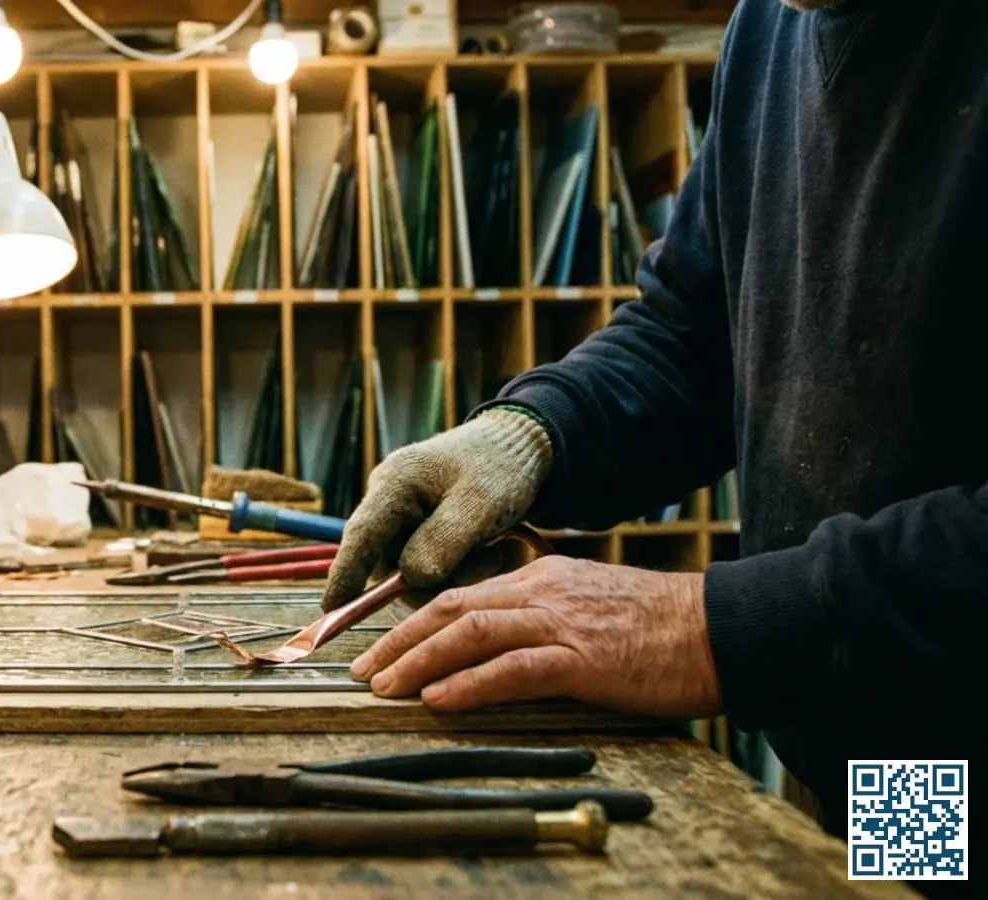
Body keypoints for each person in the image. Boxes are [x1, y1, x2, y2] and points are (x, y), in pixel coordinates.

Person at [320, 0, 988, 871]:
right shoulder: (771, 27)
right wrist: (532, 433)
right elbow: (694, 333)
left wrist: (711, 627)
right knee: (895, 885)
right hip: (895, 755)